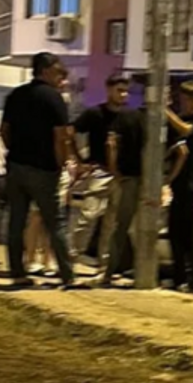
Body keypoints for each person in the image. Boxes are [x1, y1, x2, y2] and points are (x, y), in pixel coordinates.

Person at [1, 52, 74, 287]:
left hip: (16, 165)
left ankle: (17, 271)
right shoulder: (54, 98)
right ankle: (68, 275)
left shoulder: (16, 94)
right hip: (44, 168)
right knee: (55, 223)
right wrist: (61, 163)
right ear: (46, 70)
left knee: (17, 220)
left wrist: (15, 151)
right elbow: (60, 137)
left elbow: (4, 130)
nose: (60, 75)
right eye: (57, 70)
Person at [99, 74, 145, 283]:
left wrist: (114, 170)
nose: (124, 95)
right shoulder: (145, 118)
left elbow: (111, 144)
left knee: (121, 226)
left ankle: (110, 271)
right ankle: (137, 270)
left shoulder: (124, 116)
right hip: (145, 179)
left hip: (128, 178)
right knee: (138, 228)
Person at [71, 75, 121, 267]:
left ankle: (104, 264)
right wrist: (79, 160)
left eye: (126, 91)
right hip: (99, 170)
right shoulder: (95, 113)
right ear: (109, 90)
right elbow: (70, 131)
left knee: (111, 221)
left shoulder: (127, 115)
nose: (123, 95)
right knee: (89, 215)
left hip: (120, 174)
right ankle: (73, 255)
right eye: (119, 90)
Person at [165, 82, 193, 292]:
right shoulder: (183, 118)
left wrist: (164, 110)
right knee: (176, 233)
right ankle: (181, 277)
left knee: (189, 234)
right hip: (179, 183)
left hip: (188, 184)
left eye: (187, 99)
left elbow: (186, 131)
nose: (183, 103)